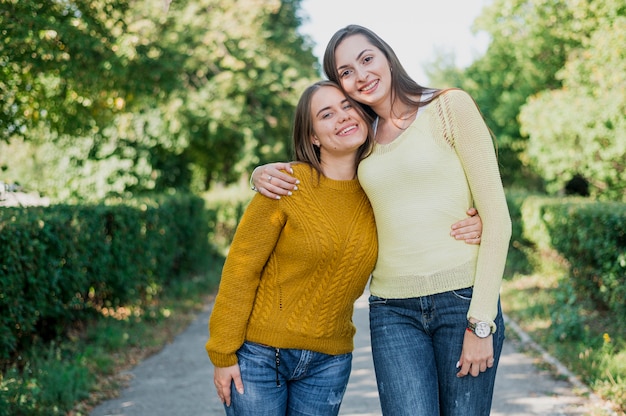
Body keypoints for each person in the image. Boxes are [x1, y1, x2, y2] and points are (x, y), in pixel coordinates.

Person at [251, 25, 511, 416]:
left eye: (367, 59)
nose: (361, 75)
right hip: (392, 310)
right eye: (346, 72)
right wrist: (258, 173)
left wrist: (481, 323)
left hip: (463, 300)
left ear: (387, 56)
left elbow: (498, 220)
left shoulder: (448, 106)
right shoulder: (361, 138)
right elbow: (323, 181)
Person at [206, 80, 380, 416]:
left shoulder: (380, 191)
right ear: (313, 136)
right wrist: (223, 353)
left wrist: (474, 222)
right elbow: (242, 269)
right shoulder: (286, 183)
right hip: (259, 356)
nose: (342, 117)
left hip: (330, 362)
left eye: (347, 106)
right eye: (326, 114)